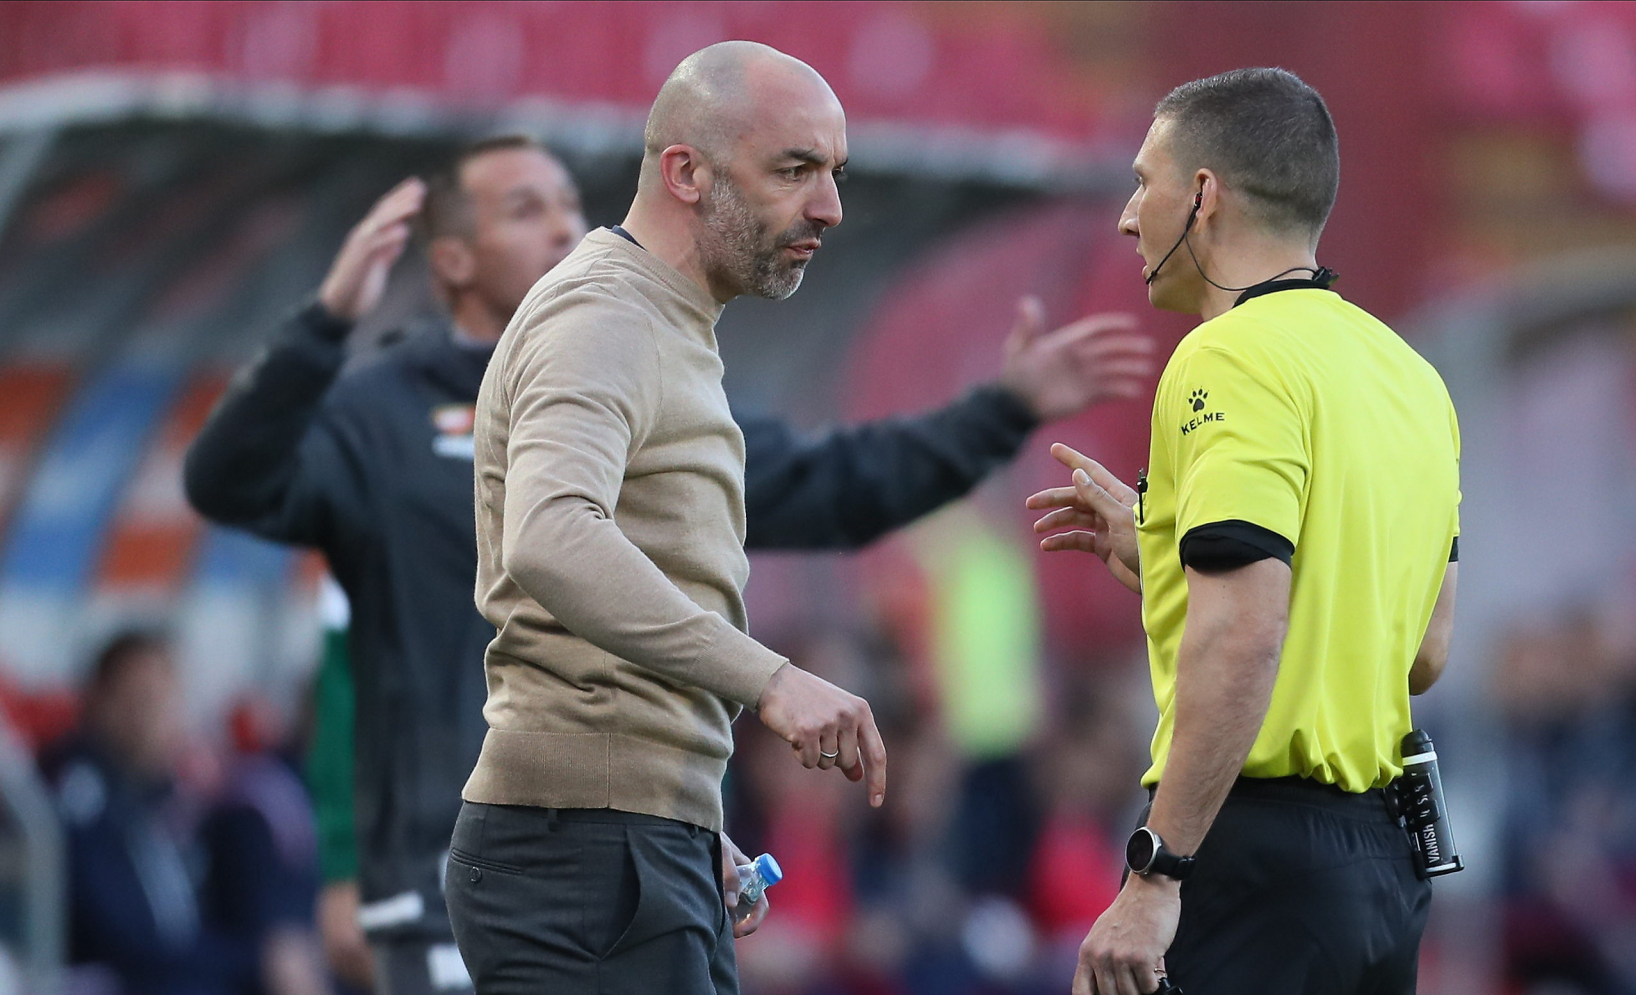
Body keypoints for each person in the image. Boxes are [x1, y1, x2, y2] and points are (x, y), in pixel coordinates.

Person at [185, 115, 1145, 995]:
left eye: (571, 201)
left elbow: (838, 483)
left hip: (621, 834)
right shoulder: (385, 412)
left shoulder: (658, 373)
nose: (565, 225)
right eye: (527, 209)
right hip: (464, 852)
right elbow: (234, 486)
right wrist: (320, 329)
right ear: (451, 260)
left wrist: (1000, 410)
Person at [1030, 68, 1461, 994]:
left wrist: (1156, 871)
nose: (1125, 214)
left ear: (1203, 194)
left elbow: (1247, 630)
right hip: (1380, 873)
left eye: (1143, 181)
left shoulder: (1225, 357)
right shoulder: (1413, 378)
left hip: (1252, 857)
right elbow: (1421, 651)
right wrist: (1163, 565)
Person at [42, 633, 245, 995]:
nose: (150, 716)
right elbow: (119, 933)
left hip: (180, 973)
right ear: (98, 700)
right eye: (138, 699)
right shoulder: (79, 787)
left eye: (162, 700)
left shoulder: (168, 792)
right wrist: (232, 958)